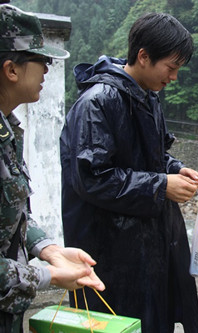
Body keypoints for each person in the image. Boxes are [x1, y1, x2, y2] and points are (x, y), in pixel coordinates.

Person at [60, 12, 198, 333]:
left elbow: (151, 159)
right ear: (143, 56)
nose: (174, 77)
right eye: (171, 67)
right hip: (108, 251)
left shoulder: (147, 98)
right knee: (117, 322)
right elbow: (92, 178)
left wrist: (177, 171)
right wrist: (161, 185)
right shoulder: (97, 103)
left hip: (146, 245)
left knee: (153, 320)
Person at [0, 4, 105, 333]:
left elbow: (12, 212)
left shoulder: (8, 132)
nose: (47, 70)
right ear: (11, 70)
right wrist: (48, 275)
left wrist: (48, 249)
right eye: (41, 60)